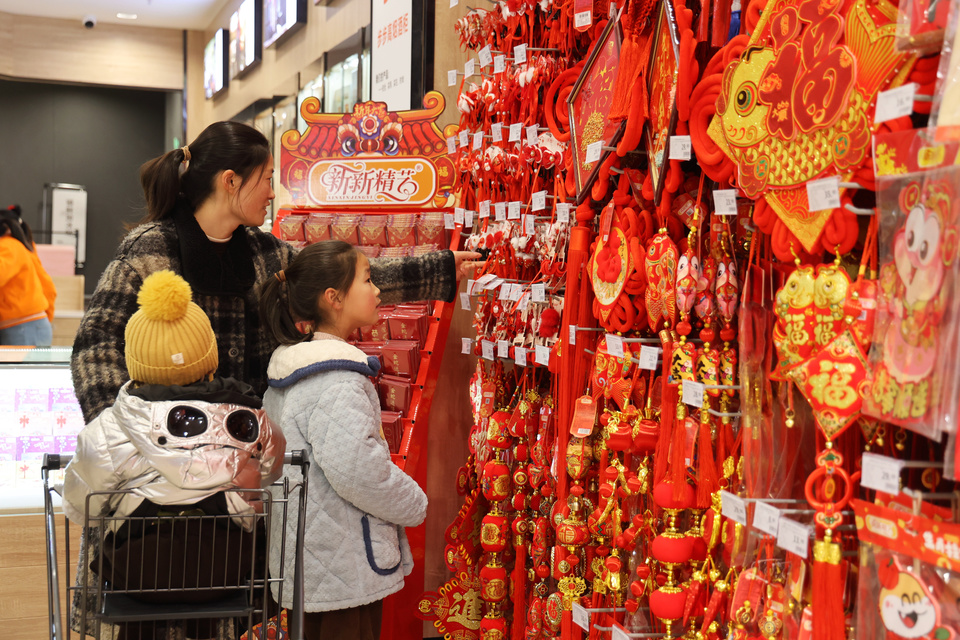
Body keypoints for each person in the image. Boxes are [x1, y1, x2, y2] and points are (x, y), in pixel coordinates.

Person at [71, 120, 479, 424]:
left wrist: (442, 267)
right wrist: (117, 427)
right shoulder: (150, 250)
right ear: (230, 181)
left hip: (246, 456)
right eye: (267, 179)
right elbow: (95, 343)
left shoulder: (263, 252)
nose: (271, 192)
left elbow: (340, 279)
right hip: (165, 458)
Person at [64, 269, 285, 640]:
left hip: (136, 572)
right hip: (225, 569)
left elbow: (81, 504)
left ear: (136, 364)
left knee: (138, 600)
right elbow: (271, 472)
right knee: (214, 574)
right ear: (209, 357)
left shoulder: (110, 430)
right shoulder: (250, 420)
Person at [258, 240, 427, 640]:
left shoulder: (291, 368)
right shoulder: (337, 380)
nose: (377, 290)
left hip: (310, 559)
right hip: (343, 568)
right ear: (333, 298)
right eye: (367, 280)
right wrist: (416, 502)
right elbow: (359, 471)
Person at [0, 208, 57, 346]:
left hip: (23, 327)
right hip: (27, 325)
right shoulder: (21, 247)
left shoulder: (9, 246)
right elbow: (48, 287)